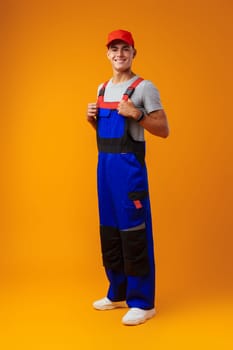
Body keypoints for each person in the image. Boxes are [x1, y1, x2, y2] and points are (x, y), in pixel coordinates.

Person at [87, 29, 169, 326]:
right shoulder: (101, 87)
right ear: (107, 54)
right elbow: (107, 137)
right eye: (114, 49)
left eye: (125, 49)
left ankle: (143, 302)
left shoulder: (144, 87)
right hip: (106, 173)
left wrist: (137, 114)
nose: (119, 54)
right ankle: (117, 292)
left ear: (134, 53)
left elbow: (163, 129)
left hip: (130, 174)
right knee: (110, 233)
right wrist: (92, 121)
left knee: (134, 234)